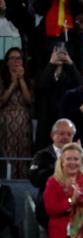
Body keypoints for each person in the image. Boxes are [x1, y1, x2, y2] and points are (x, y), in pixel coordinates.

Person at [0, 47, 32, 179]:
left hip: (23, 121)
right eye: (12, 58)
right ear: (7, 62)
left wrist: (21, 80)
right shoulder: (2, 79)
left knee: (23, 152)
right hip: (6, 122)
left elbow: (29, 100)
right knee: (8, 152)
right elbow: (2, 101)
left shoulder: (28, 79)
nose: (15, 61)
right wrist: (13, 83)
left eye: (18, 58)